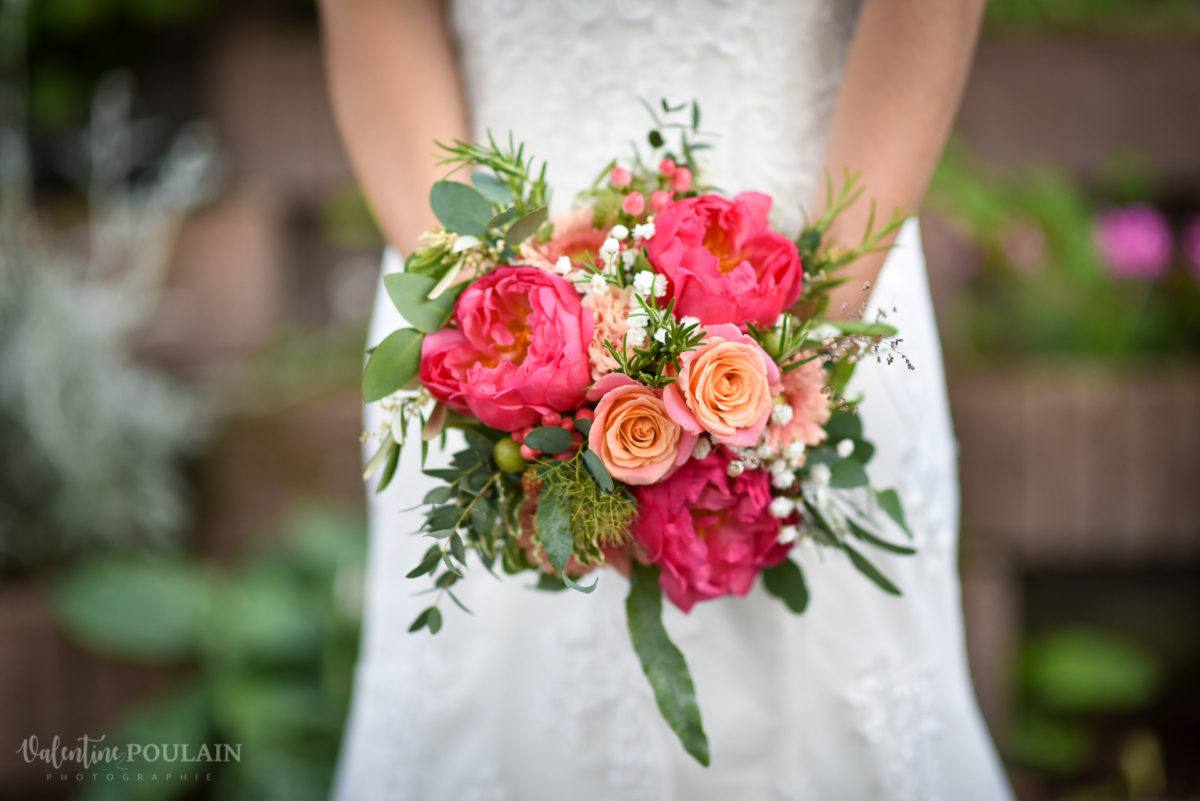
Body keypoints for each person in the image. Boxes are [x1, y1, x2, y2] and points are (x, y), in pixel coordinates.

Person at [320, 1, 1013, 799]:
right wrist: (487, 344)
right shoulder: (482, 331)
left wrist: (796, 354)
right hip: (483, 302)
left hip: (828, 265)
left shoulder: (811, 342)